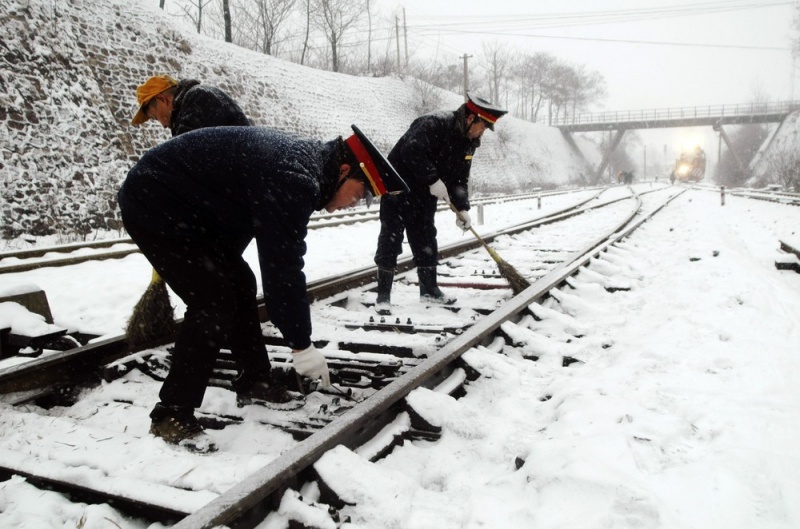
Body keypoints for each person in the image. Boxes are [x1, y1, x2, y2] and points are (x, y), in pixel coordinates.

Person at [118, 125, 408, 452]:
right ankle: (170, 414)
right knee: (213, 301)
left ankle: (254, 380)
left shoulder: (305, 170)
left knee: (239, 282)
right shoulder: (295, 178)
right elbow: (282, 269)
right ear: (343, 171)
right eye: (359, 193)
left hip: (190, 209)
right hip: (154, 203)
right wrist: (302, 345)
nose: (354, 203)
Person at [373, 93, 507, 315]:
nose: (481, 133)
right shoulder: (434, 124)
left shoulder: (469, 143)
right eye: (482, 127)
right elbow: (411, 151)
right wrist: (433, 179)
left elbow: (460, 179)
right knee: (391, 238)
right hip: (398, 187)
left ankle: (429, 289)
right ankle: (383, 296)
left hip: (424, 194)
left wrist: (462, 208)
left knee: (425, 237)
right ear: (470, 118)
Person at [130, 74, 250, 136]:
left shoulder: (198, 99)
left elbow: (184, 161)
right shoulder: (189, 107)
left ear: (162, 99)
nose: (163, 126)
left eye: (155, 118)